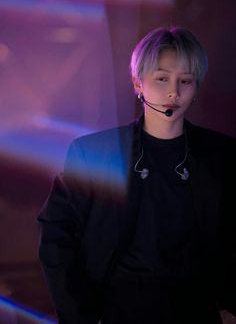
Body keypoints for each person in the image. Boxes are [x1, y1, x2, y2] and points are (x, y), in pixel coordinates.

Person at [37, 26, 236, 324]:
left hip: (197, 311)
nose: (174, 92)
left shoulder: (223, 155)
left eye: (185, 80)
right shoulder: (94, 153)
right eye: (162, 78)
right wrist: (79, 315)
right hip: (117, 311)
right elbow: (55, 234)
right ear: (137, 83)